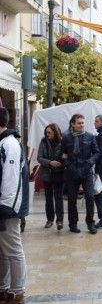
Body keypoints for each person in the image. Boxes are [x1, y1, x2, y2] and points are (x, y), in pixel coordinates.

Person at [0, 107, 28, 304]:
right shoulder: (4, 143)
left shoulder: (9, 144)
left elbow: (10, 179)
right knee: (3, 250)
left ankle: (17, 291)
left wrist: (5, 206)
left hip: (8, 206)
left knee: (13, 249)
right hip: (4, 205)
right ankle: (4, 287)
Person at [61, 114, 100, 234]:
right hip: (72, 172)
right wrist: (69, 165)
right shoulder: (66, 137)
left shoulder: (90, 136)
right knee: (72, 199)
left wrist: (90, 162)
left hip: (87, 171)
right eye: (79, 123)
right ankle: (73, 224)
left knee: (90, 197)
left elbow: (97, 153)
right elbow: (62, 155)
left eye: (83, 123)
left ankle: (90, 223)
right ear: (73, 124)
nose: (81, 125)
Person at [37, 123, 65, 230]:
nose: (47, 134)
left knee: (59, 198)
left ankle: (60, 220)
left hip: (59, 173)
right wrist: (50, 162)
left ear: (55, 132)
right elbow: (39, 157)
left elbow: (67, 156)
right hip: (47, 173)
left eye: (49, 132)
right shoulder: (43, 142)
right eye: (46, 132)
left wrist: (61, 163)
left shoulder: (63, 142)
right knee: (48, 198)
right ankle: (50, 219)